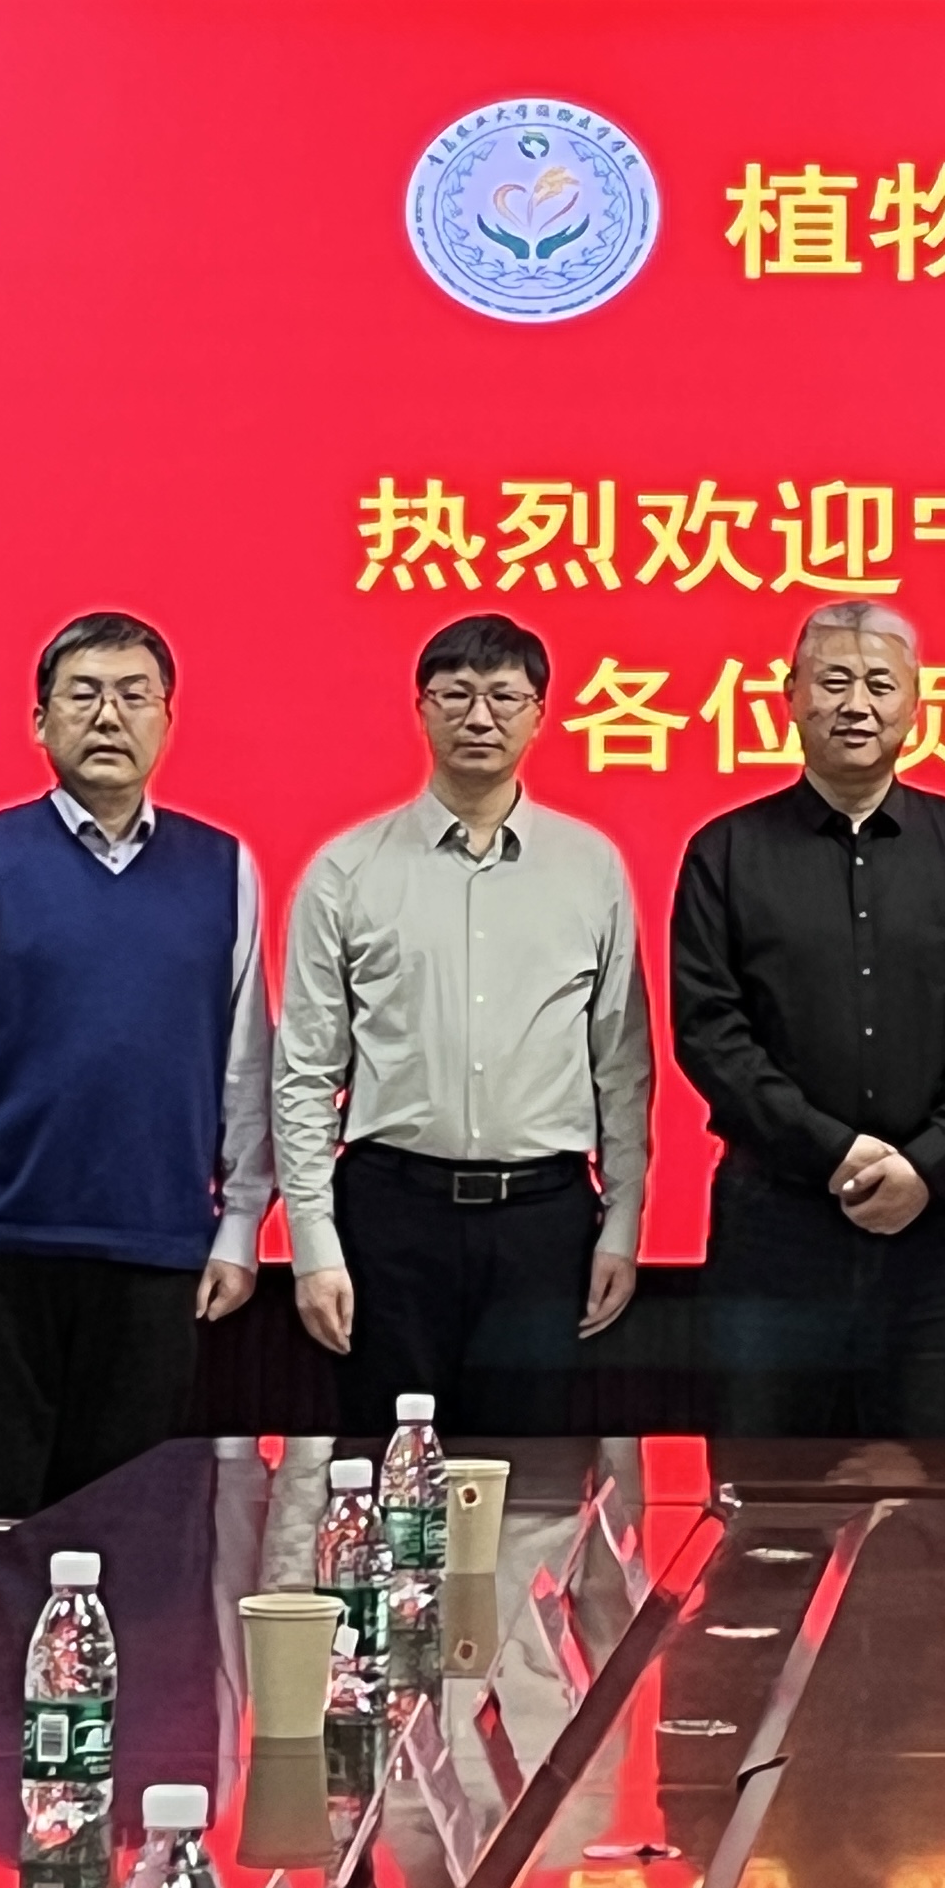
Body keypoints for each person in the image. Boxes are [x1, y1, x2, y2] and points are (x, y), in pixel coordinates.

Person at [0, 610, 273, 1512]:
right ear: (40, 720)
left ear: (167, 720)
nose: (109, 716)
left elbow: (245, 1068)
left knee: (133, 1534)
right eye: (84, 695)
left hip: (159, 1255)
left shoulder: (223, 867)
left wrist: (241, 1223)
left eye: (134, 696)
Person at [276, 610, 650, 1439]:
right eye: (457, 694)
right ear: (422, 707)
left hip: (542, 1222)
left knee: (532, 1477)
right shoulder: (347, 869)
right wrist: (312, 1242)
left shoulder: (590, 866)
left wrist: (623, 1224)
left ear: (539, 713)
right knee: (389, 1471)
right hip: (391, 1219)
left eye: (504, 697)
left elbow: (621, 1064)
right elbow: (304, 1072)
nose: (480, 717)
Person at [670, 600, 945, 1439]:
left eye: (879, 684)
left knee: (931, 1490)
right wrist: (834, 1151)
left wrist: (927, 1162)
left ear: (917, 703)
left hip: (931, 1226)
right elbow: (711, 1032)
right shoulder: (726, 852)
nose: (856, 705)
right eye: (833, 682)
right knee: (761, 1483)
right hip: (775, 1225)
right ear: (790, 696)